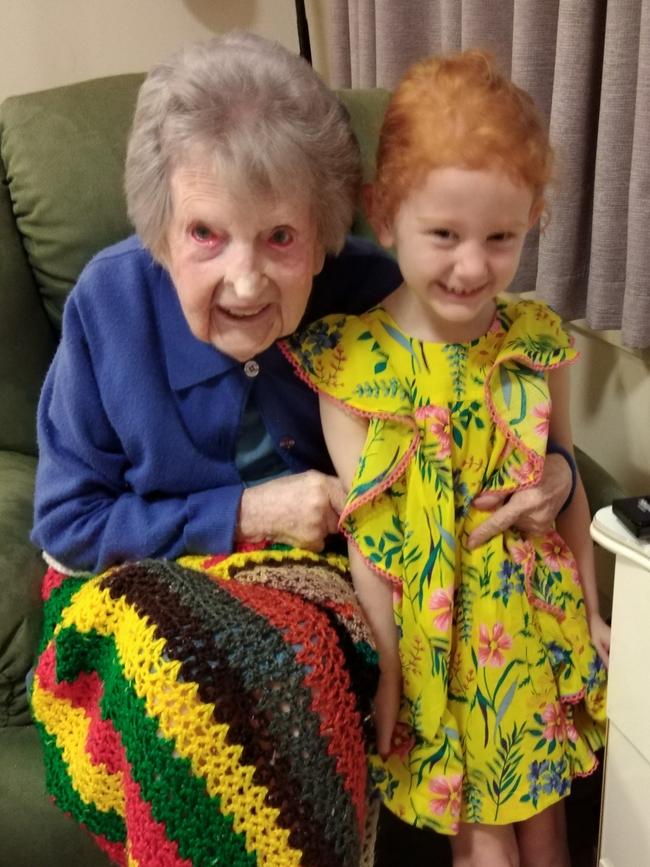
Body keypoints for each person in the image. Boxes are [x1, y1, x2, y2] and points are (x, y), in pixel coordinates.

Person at [29, 33, 574, 867]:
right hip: (128, 581)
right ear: (161, 230)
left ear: (325, 236)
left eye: (281, 237)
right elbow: (69, 524)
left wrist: (561, 474)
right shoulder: (110, 303)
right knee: (189, 681)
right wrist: (248, 512)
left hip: (315, 596)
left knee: (302, 661)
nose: (246, 282)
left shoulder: (371, 296)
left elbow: (503, 376)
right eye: (206, 234)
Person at [280, 50, 609, 867]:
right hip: (439, 647)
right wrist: (388, 671)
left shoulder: (534, 341)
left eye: (501, 237)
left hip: (535, 626)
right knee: (481, 840)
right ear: (385, 216)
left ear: (533, 215)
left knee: (549, 827)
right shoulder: (354, 368)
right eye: (445, 235)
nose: (473, 266)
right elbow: (368, 537)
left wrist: (597, 613)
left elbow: (560, 474)